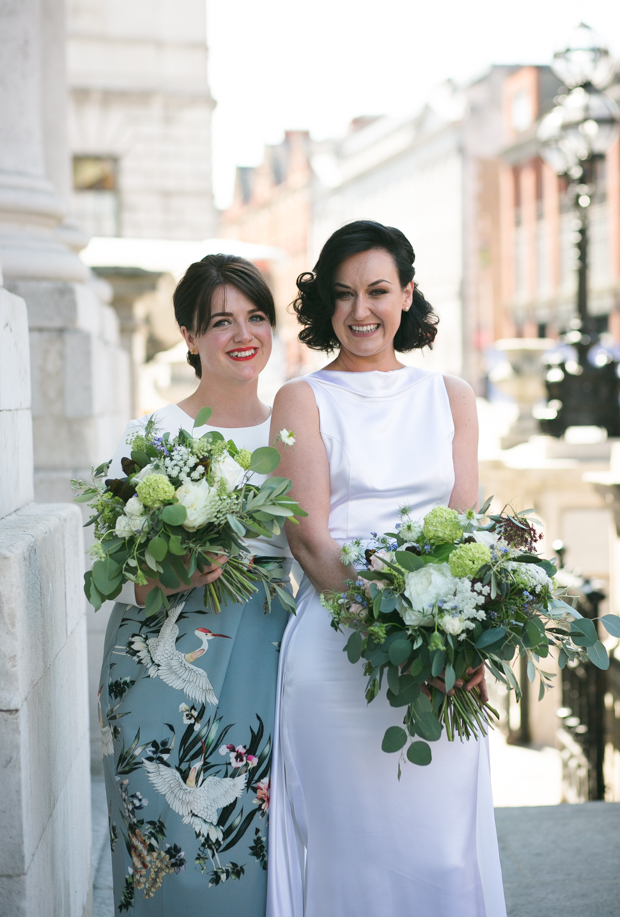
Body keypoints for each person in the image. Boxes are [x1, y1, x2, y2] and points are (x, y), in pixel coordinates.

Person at [266, 221, 507, 917]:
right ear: (324, 306)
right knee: (352, 850)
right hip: (341, 653)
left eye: (377, 290)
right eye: (343, 294)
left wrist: (464, 641)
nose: (360, 310)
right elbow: (309, 540)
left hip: (438, 653)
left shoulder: (453, 396)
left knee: (443, 851)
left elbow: (467, 534)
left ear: (407, 295)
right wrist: (394, 632)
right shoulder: (299, 400)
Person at [99, 254, 291, 916]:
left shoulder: (292, 430)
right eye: (220, 321)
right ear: (187, 334)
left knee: (254, 842)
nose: (243, 334)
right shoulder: (154, 433)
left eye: (256, 315)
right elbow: (134, 582)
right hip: (171, 658)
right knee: (168, 844)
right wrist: (175, 571)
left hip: (272, 652)